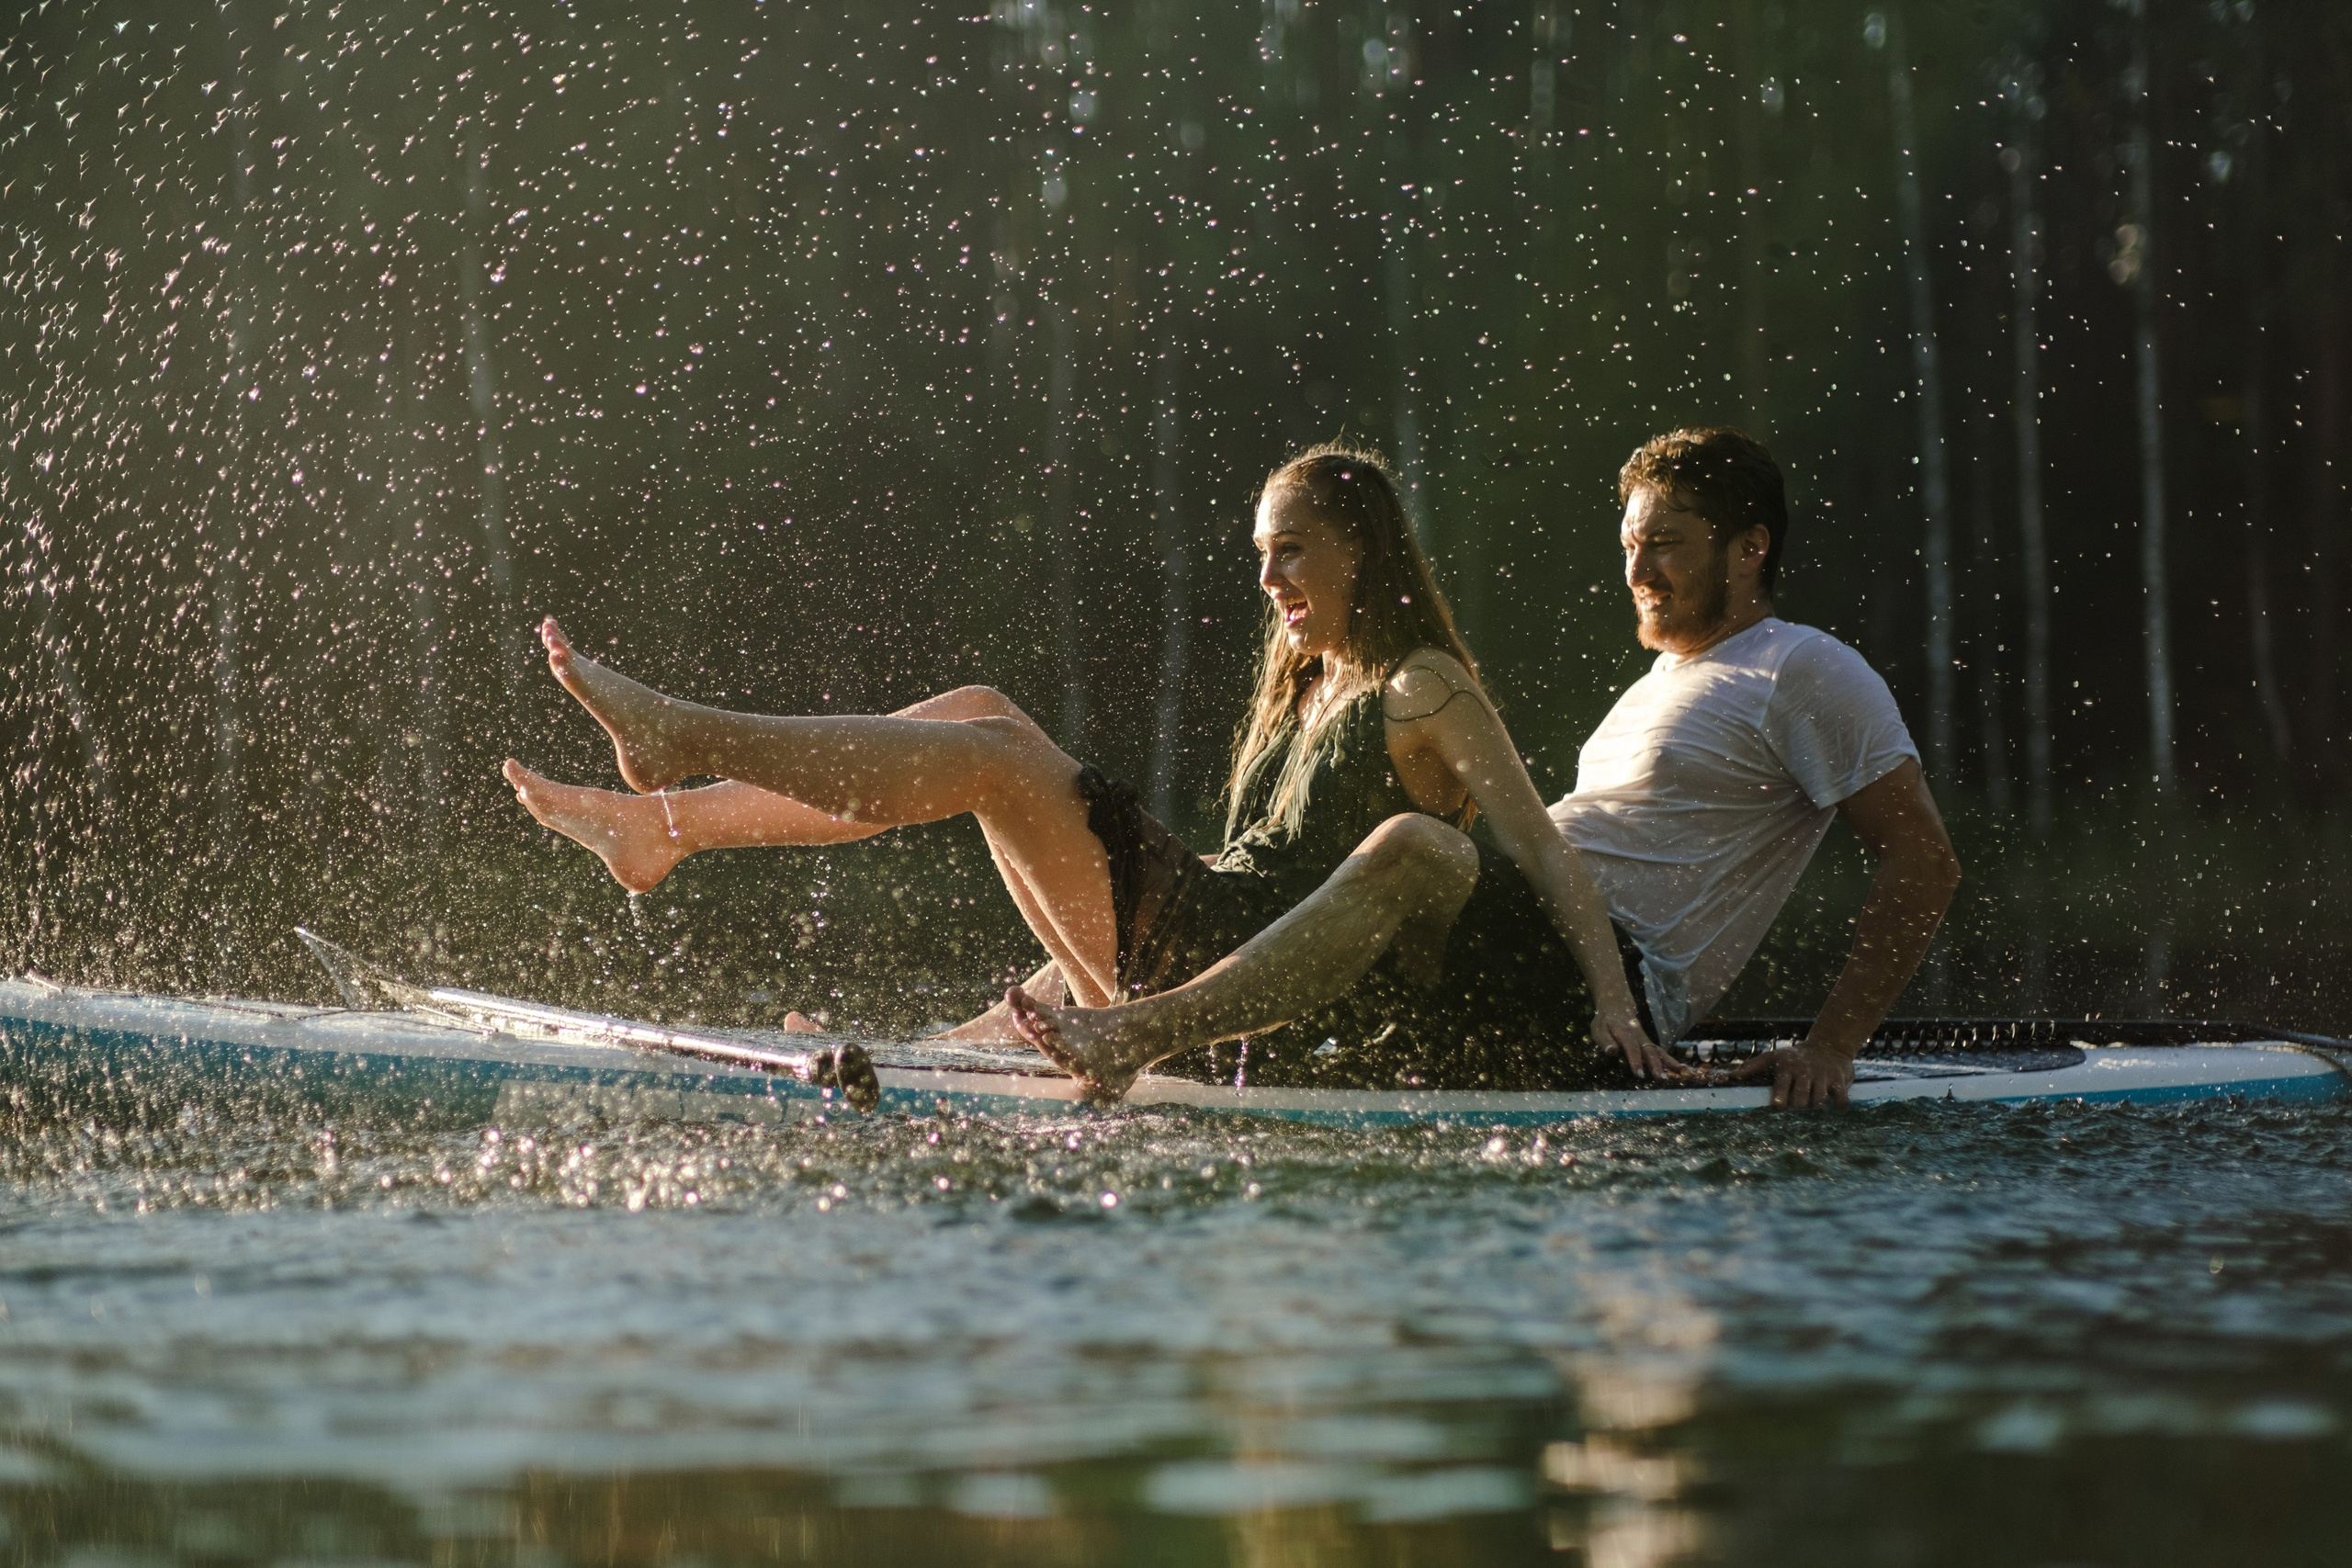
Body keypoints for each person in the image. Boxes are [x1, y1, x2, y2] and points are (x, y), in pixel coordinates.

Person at [504, 444, 1666, 1084]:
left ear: (1362, 553)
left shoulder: (1423, 688)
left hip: (1251, 991)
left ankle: (683, 739)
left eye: (1293, 554)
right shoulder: (1313, 686)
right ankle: (670, 824)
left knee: (996, 766)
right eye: (1261, 558)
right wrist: (952, 1051)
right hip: (1214, 936)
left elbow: (1543, 848)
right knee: (982, 714)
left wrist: (1617, 1012)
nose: (1269, 583)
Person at [1009, 426, 1962, 1110]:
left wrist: (1831, 1047)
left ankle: (1141, 1033)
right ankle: (973, 1051)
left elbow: (1923, 861)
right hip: (1519, 947)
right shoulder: (1665, 680)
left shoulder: (1806, 668)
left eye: (1665, 543)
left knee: (1416, 845)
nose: (1637, 568)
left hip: (1605, 983)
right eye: (1630, 544)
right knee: (1230, 880)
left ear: (1751, 548)